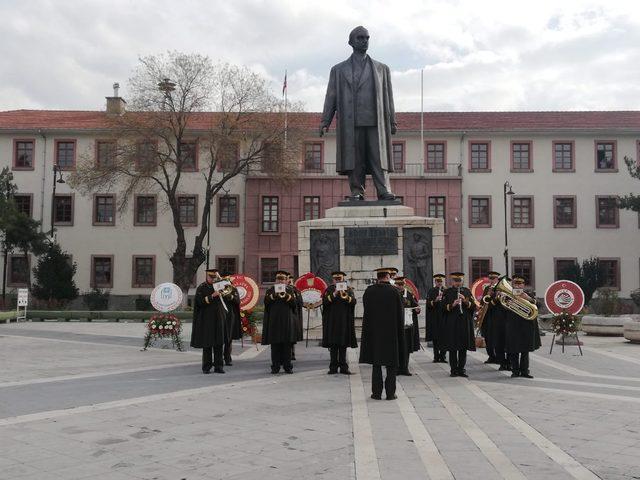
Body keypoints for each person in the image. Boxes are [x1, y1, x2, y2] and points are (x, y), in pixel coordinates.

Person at [320, 26, 397, 201]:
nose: (364, 41)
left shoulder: (381, 69)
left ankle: (383, 190)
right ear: (351, 42)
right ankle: (357, 191)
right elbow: (331, 96)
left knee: (379, 158)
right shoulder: (338, 70)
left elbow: (388, 96)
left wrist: (392, 121)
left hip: (375, 121)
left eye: (367, 38)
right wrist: (325, 121)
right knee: (355, 159)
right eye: (360, 38)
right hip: (350, 121)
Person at [359, 267, 405, 400]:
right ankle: (391, 393)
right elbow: (400, 313)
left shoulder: (369, 291)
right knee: (391, 365)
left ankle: (376, 393)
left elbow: (367, 310)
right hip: (391, 333)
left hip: (374, 333)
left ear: (378, 277)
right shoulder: (394, 291)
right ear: (388, 276)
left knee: (376, 364)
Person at [190, 269, 229, 374]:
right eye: (211, 277)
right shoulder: (202, 288)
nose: (212, 279)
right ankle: (206, 367)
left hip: (219, 318)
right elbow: (200, 302)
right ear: (207, 277)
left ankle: (218, 366)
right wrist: (212, 296)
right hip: (207, 320)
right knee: (207, 344)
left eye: (214, 277)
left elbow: (227, 296)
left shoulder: (219, 286)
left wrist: (224, 288)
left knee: (219, 343)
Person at [505, 276, 542, 378]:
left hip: (526, 326)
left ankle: (525, 371)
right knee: (514, 350)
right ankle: (515, 371)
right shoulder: (508, 295)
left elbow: (539, 305)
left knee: (525, 350)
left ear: (523, 285)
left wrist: (529, 299)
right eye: (516, 284)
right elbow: (503, 309)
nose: (518, 285)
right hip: (513, 325)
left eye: (520, 284)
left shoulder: (529, 294)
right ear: (513, 285)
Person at [262, 271, 298, 374]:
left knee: (287, 346)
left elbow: (294, 305)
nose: (280, 281)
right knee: (275, 346)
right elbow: (266, 303)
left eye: (282, 279)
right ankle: (275, 367)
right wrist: (274, 295)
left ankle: (288, 367)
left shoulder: (290, 290)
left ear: (285, 281)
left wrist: (286, 296)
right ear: (276, 280)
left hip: (287, 321)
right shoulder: (270, 290)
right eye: (279, 279)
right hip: (274, 321)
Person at [321, 271, 357, 374]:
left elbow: (354, 302)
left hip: (344, 321)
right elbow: (325, 302)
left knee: (343, 345)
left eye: (339, 279)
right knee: (333, 346)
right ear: (333, 280)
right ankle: (333, 367)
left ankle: (343, 367)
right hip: (332, 322)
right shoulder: (329, 290)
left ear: (343, 279)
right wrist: (334, 294)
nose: (337, 281)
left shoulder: (349, 289)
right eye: (336, 279)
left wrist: (346, 297)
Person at [442, 272, 476, 377]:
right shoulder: (447, 292)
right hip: (452, 322)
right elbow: (443, 308)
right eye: (456, 281)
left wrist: (465, 300)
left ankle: (461, 369)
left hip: (464, 322)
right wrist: (452, 305)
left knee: (463, 347)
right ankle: (453, 370)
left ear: (462, 281)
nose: (457, 283)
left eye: (459, 281)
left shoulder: (467, 291)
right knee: (453, 347)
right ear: (452, 281)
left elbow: (473, 307)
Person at [481, 271, 509, 370]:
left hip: (502, 317)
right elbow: (483, 302)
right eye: (490, 278)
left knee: (503, 340)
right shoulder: (487, 288)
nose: (492, 280)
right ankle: (496, 359)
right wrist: (489, 295)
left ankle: (506, 362)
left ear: (497, 279)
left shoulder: (503, 288)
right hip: (490, 317)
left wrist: (496, 297)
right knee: (492, 339)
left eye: (494, 278)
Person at [395, 276, 420, 376]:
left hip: (407, 324)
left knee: (406, 347)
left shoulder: (408, 294)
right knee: (397, 347)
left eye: (401, 284)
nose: (400, 286)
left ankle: (405, 368)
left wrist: (417, 309)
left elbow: (415, 305)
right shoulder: (393, 294)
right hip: (396, 325)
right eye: (398, 285)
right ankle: (396, 368)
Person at [221, 274, 242, 366]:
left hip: (230, 315)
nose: (226, 281)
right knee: (219, 337)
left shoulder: (233, 289)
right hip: (220, 315)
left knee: (228, 338)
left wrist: (230, 296)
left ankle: (227, 357)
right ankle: (218, 358)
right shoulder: (218, 288)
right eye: (224, 279)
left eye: (228, 279)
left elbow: (237, 301)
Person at [426, 273, 447, 363]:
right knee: (435, 338)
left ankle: (443, 356)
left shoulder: (446, 290)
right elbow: (428, 303)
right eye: (438, 281)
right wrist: (435, 300)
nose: (439, 283)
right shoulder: (431, 291)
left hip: (444, 316)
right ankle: (436, 356)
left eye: (440, 281)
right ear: (435, 282)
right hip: (435, 317)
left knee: (444, 337)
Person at [288, 273, 304, 361]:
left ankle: (292, 353)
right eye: (288, 280)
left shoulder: (296, 290)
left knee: (293, 336)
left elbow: (300, 303)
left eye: (291, 280)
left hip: (295, 315)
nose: (290, 282)